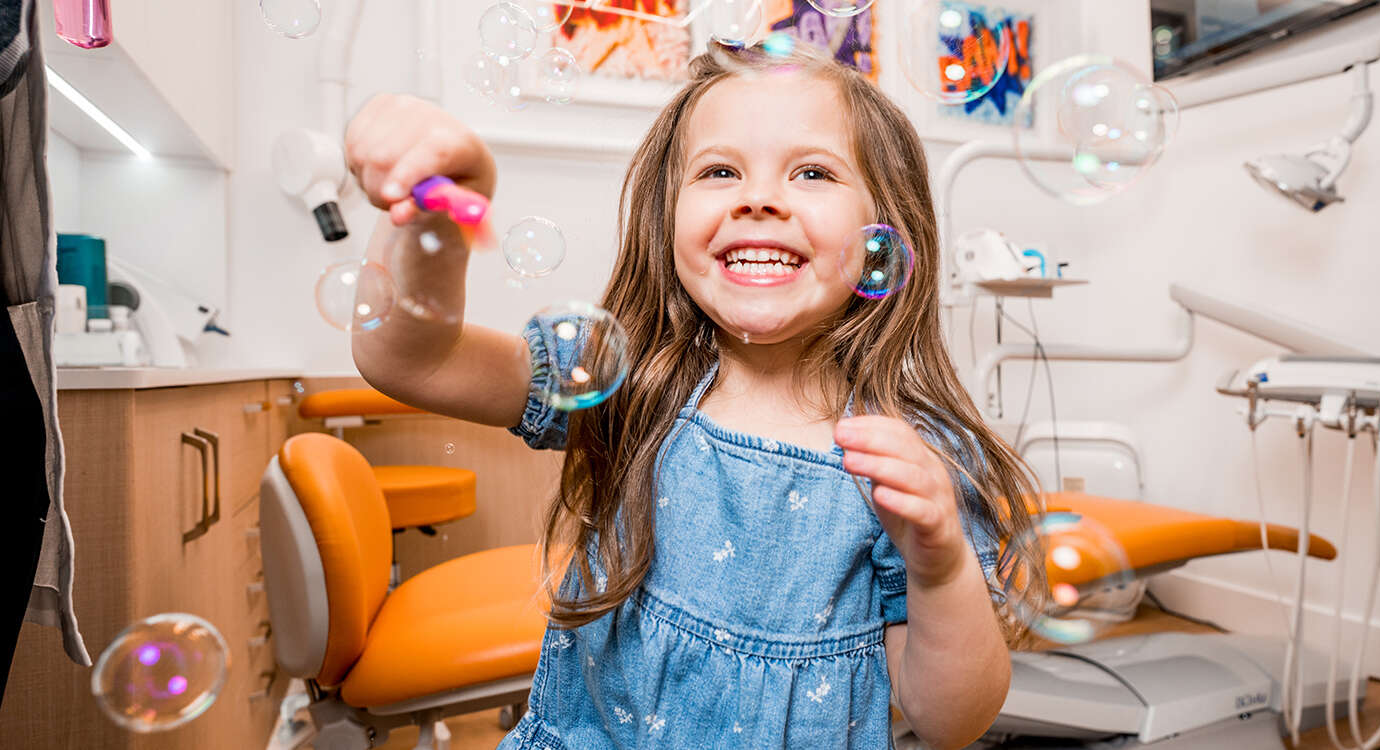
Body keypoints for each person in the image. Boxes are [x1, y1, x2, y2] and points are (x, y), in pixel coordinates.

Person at [344, 40, 1045, 749]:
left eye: (811, 171)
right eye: (720, 170)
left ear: (881, 237)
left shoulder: (914, 461)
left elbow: (952, 722)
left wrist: (941, 564)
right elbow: (413, 361)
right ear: (666, 217)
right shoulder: (626, 379)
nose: (759, 197)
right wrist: (435, 212)